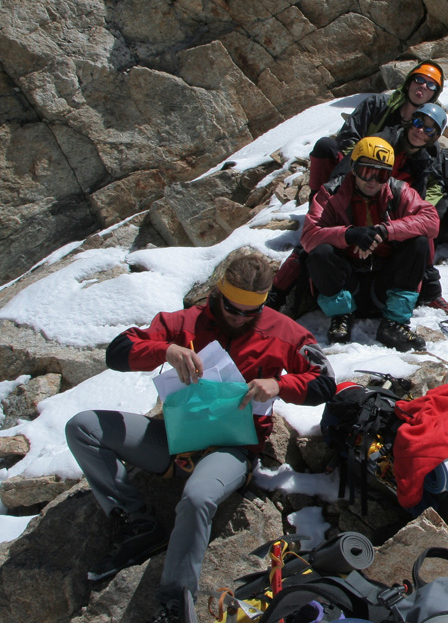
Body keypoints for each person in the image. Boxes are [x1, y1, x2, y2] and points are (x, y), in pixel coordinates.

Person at [65, 249, 335, 623]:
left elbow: (324, 382)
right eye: (231, 308)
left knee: (197, 497)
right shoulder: (185, 321)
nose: (239, 317)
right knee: (83, 427)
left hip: (232, 447)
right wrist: (165, 349)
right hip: (175, 438)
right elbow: (118, 351)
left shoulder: (284, 331)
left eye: (249, 312)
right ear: (218, 295)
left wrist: (280, 384)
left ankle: (175, 601)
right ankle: (139, 523)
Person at [301, 135, 439, 350]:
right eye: (366, 171)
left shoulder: (399, 191)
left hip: (385, 284)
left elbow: (431, 220)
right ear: (354, 168)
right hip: (348, 281)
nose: (373, 180)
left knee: (419, 242)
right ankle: (341, 314)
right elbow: (309, 237)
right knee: (321, 252)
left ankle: (394, 321)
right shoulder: (331, 193)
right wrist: (349, 235)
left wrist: (386, 230)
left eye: (382, 174)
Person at [307, 60, 445, 190]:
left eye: (431, 85)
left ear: (434, 95)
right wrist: (362, 163)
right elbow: (348, 136)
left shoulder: (427, 135)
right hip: (354, 163)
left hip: (387, 180)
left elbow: (432, 177)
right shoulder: (377, 105)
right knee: (325, 146)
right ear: (409, 83)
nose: (423, 86)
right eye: (419, 80)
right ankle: (318, 203)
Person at [390, 103, 448, 322]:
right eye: (418, 123)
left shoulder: (424, 160)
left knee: (424, 228)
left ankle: (431, 292)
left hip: (396, 210)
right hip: (367, 203)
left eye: (429, 130)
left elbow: (419, 197)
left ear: (435, 136)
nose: (421, 131)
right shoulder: (387, 141)